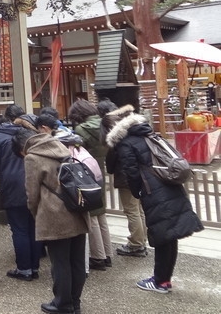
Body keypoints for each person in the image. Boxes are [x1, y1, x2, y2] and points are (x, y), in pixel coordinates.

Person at [104, 105, 203, 294]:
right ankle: (164, 279)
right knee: (169, 235)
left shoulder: (126, 142)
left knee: (162, 235)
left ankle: (160, 281)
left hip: (153, 191)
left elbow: (131, 172)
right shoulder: (149, 133)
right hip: (170, 185)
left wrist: (137, 192)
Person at [15, 128, 90, 314]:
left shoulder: (32, 158)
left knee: (60, 262)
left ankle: (63, 304)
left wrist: (37, 214)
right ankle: (75, 301)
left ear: (23, 148)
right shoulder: (61, 147)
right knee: (77, 260)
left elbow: (31, 194)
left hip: (55, 214)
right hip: (77, 209)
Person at [0, 104, 43, 281]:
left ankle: (24, 268)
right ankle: (34, 267)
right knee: (33, 226)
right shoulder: (31, 134)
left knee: (19, 229)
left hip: (11, 184)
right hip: (34, 180)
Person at [98, 99, 149, 258]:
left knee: (132, 210)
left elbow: (113, 157)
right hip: (142, 172)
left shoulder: (112, 129)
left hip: (127, 175)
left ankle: (136, 244)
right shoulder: (131, 123)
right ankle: (141, 240)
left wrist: (111, 167)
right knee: (139, 209)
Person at [70, 98, 114, 271]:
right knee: (101, 214)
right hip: (100, 169)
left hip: (86, 170)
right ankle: (108, 253)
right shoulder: (104, 124)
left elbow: (76, 151)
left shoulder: (81, 129)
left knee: (92, 215)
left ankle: (97, 256)